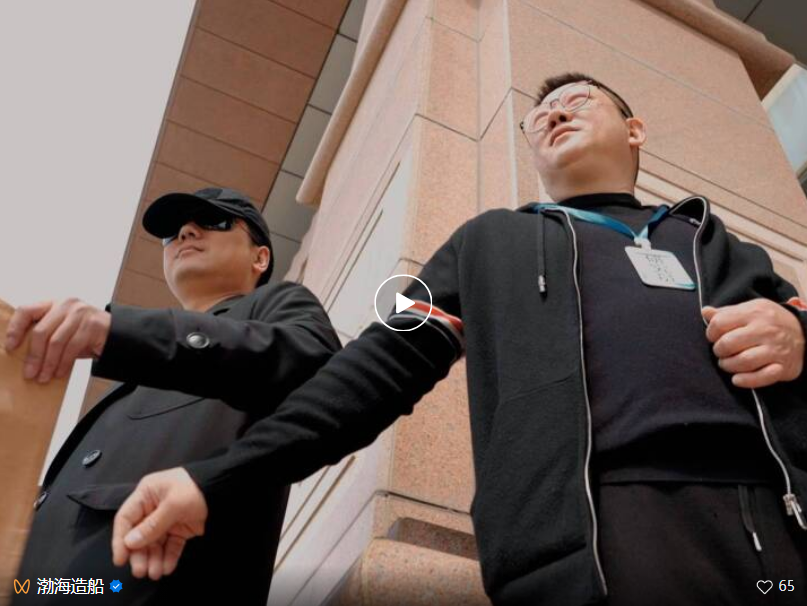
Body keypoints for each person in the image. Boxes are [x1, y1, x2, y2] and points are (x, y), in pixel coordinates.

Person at [110, 75, 807, 605]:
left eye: (577, 101)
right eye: (539, 114)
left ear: (634, 130)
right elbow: (372, 371)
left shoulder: (720, 247)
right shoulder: (487, 246)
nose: (555, 114)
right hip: (602, 538)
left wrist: (801, 335)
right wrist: (219, 478)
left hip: (779, 530)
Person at [6, 187, 342, 605]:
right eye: (172, 232)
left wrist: (119, 333)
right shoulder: (128, 379)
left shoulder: (276, 304)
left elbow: (316, 368)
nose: (185, 232)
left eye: (214, 221)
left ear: (260, 258)